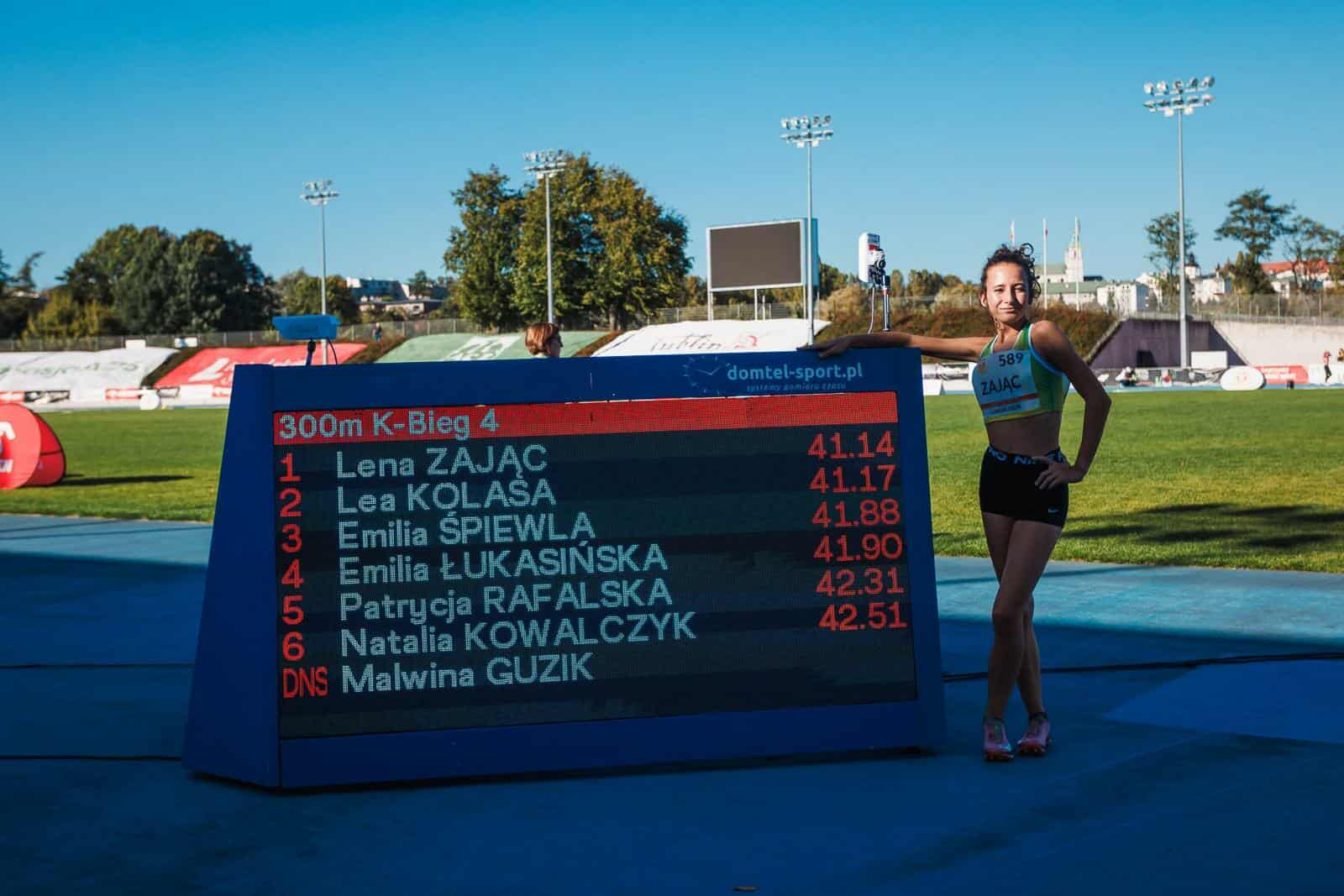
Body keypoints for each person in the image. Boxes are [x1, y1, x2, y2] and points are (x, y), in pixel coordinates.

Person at [803, 243, 1110, 761]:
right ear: (983, 298)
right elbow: (910, 340)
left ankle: (993, 720)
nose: (1009, 296)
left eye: (1018, 287)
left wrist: (1077, 467)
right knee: (1018, 612)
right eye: (998, 289)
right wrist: (852, 339)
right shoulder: (981, 349)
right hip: (996, 480)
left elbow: (1097, 398)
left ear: (1031, 293)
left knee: (1004, 611)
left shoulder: (1044, 336)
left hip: (1041, 481)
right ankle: (1038, 718)